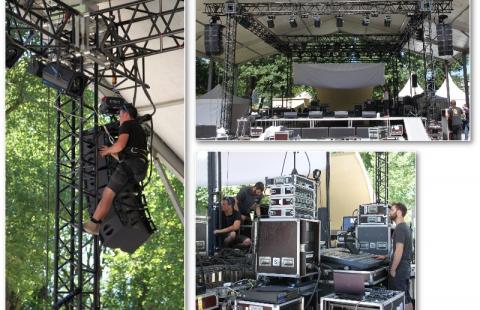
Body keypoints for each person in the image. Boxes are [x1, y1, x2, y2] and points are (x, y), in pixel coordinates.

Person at [84, 103, 148, 235]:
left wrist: (108, 150)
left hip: (131, 165)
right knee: (113, 195)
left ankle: (93, 224)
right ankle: (96, 223)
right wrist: (112, 151)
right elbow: (126, 153)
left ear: (125, 113)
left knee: (107, 195)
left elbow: (119, 146)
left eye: (119, 115)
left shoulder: (127, 124)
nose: (119, 119)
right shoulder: (139, 129)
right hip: (140, 170)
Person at [375, 203, 413, 310]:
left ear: (399, 213)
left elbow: (399, 251)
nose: (389, 213)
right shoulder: (405, 227)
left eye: (392, 210)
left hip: (399, 269)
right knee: (405, 296)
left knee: (401, 297)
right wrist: (386, 257)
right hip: (404, 268)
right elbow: (397, 250)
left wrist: (393, 269)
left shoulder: (400, 228)